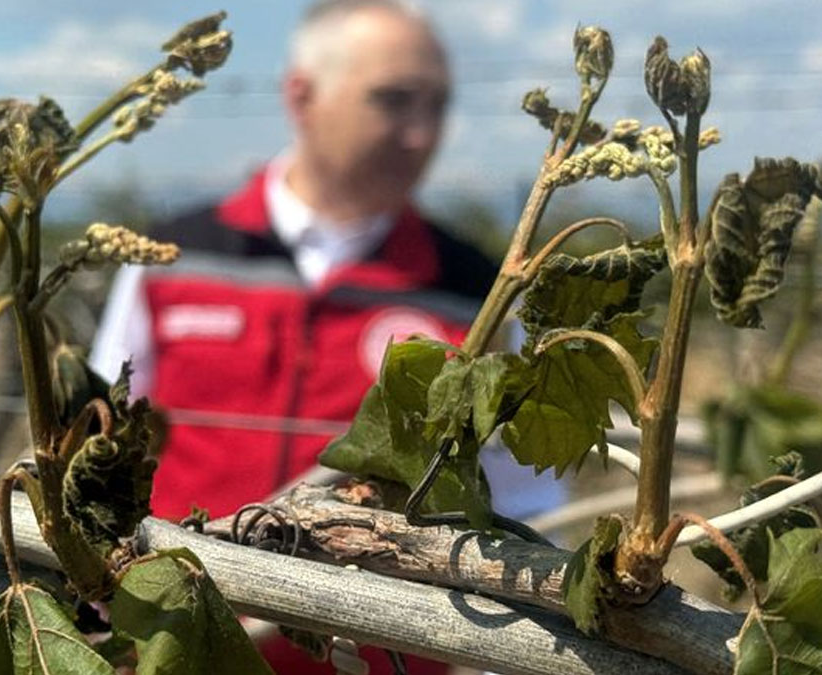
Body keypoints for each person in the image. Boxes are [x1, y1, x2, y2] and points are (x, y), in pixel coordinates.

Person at [91, 1, 562, 671]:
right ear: (302, 96)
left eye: (437, 106)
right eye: (394, 100)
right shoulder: (171, 258)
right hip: (174, 653)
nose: (423, 134)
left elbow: (523, 504)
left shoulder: (475, 293)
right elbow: (101, 452)